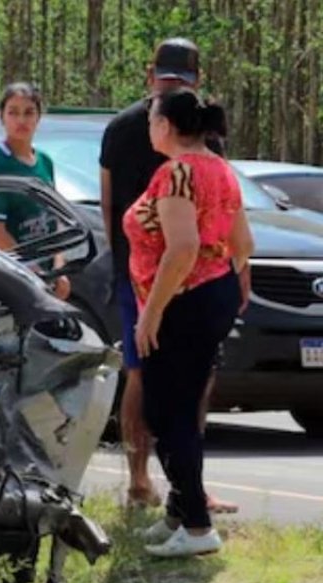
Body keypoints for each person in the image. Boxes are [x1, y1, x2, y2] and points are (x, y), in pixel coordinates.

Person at [99, 38, 239, 514]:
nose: (170, 86)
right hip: (144, 276)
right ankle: (142, 482)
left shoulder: (195, 151)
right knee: (144, 380)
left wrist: (239, 269)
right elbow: (108, 203)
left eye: (179, 80)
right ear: (149, 75)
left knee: (186, 386)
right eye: (165, 77)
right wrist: (126, 266)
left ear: (196, 82)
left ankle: (188, 493)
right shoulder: (122, 128)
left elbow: (213, 229)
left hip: (188, 282)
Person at [127, 90, 251, 557]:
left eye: (152, 119)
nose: (148, 127)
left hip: (182, 302)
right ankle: (180, 512)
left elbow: (182, 249)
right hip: (209, 295)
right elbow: (244, 243)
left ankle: (198, 528)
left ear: (167, 125)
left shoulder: (177, 172)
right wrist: (216, 281)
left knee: (165, 412)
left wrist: (154, 311)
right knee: (180, 407)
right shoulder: (221, 168)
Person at [0, 82, 71, 300]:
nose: (21, 120)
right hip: (9, 278)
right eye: (13, 112)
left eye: (28, 113)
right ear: (2, 117)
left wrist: (58, 268)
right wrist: (33, 273)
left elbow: (53, 220)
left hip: (43, 278)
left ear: (39, 117)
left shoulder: (44, 162)